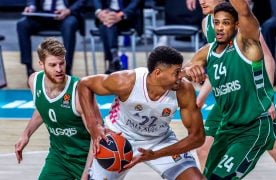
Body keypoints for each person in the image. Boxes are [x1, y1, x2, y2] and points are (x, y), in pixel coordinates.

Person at [189, 1, 276, 179]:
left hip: (252, 98)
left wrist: (268, 98)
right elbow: (218, 65)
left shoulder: (239, 21)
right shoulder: (207, 23)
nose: (201, 1)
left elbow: (268, 59)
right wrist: (201, 98)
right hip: (227, 100)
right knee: (203, 150)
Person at [78, 46, 206, 179]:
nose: (182, 75)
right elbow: (84, 84)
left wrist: (156, 154)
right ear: (157, 73)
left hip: (159, 140)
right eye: (177, 72)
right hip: (119, 137)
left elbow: (197, 137)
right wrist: (94, 127)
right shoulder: (126, 81)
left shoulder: (184, 89)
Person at [14, 38, 92, 179]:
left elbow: (96, 136)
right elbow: (43, 108)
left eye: (62, 63)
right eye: (53, 65)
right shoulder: (34, 81)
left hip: (88, 159)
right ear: (41, 64)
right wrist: (26, 134)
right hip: (59, 158)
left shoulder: (79, 92)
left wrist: (86, 173)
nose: (59, 69)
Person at [93, 0, 143, 74]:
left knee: (106, 23)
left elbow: (135, 2)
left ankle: (112, 62)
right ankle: (114, 57)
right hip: (106, 14)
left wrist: (122, 14)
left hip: (127, 16)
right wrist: (99, 12)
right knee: (108, 22)